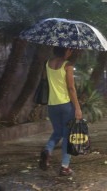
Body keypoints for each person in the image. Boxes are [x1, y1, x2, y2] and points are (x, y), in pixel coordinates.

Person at [39, 46, 82, 176]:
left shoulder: (47, 64)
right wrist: (78, 108)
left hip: (52, 105)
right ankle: (64, 167)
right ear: (64, 50)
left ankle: (48, 150)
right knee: (67, 136)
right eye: (69, 49)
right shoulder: (67, 65)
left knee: (57, 132)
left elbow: (48, 81)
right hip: (66, 105)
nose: (71, 51)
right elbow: (71, 88)